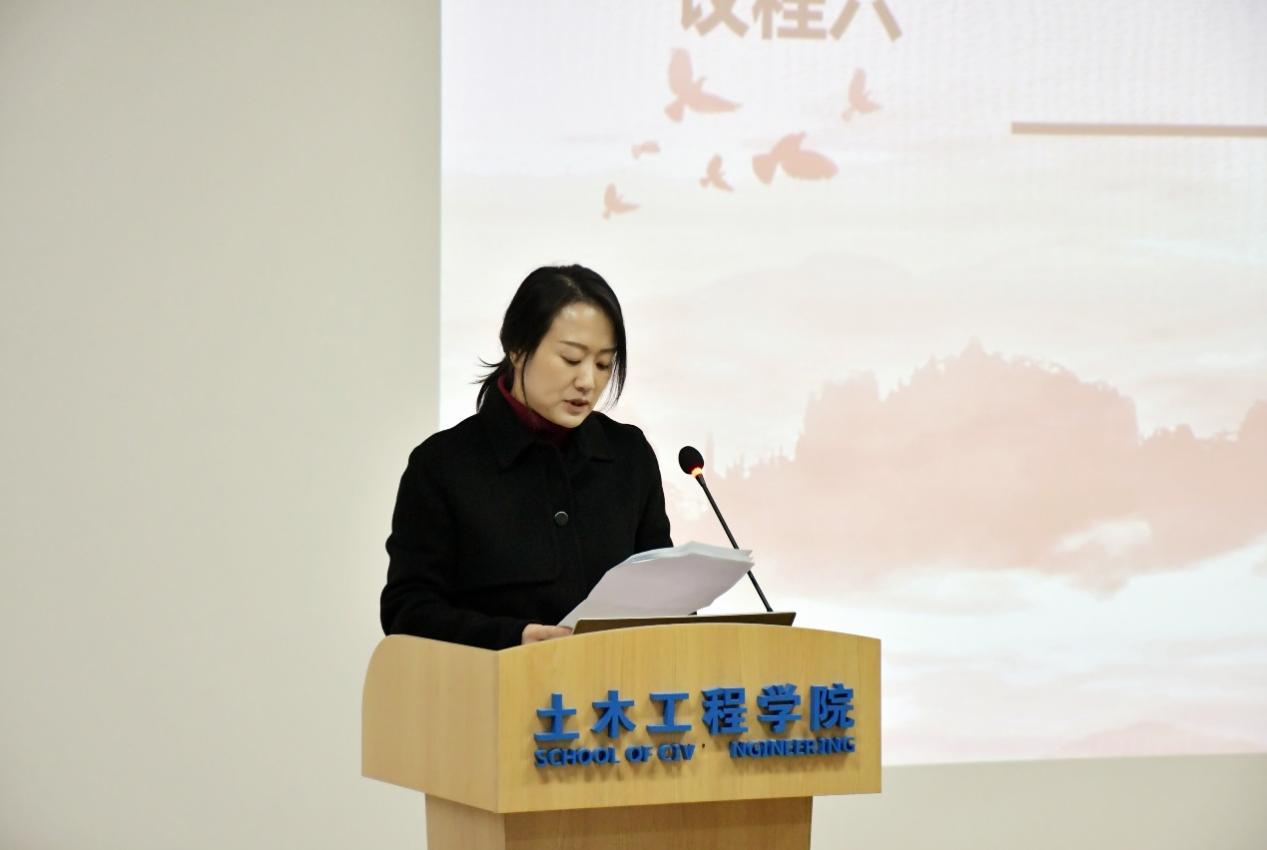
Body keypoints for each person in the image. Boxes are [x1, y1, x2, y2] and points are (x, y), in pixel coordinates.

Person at [380, 265, 673, 650]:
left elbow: (666, 598)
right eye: (571, 359)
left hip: (616, 686)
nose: (588, 381)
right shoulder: (442, 466)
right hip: (492, 683)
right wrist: (513, 637)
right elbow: (407, 610)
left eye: (604, 364)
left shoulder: (628, 456)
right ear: (517, 348)